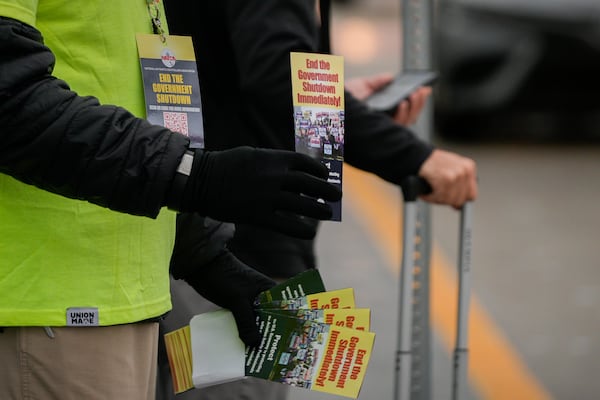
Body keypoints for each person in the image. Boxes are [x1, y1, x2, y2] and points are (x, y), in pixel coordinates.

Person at [0, 2, 343, 399]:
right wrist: (194, 176)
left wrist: (202, 253)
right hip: (47, 306)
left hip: (129, 297)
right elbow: (11, 97)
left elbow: (126, 91)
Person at [157, 0, 477, 399]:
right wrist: (413, 157)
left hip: (189, 223)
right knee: (240, 390)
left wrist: (346, 106)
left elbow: (231, 65)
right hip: (240, 247)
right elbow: (277, 75)